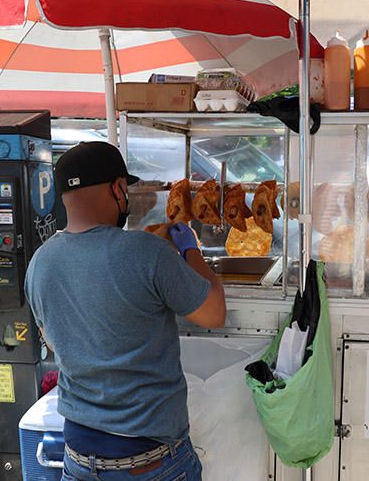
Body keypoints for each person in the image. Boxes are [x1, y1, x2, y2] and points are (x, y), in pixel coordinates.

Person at [24, 141, 226, 481]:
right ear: (118, 188)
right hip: (150, 463)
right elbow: (213, 312)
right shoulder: (146, 252)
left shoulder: (40, 263)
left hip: (77, 458)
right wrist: (191, 251)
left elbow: (56, 345)